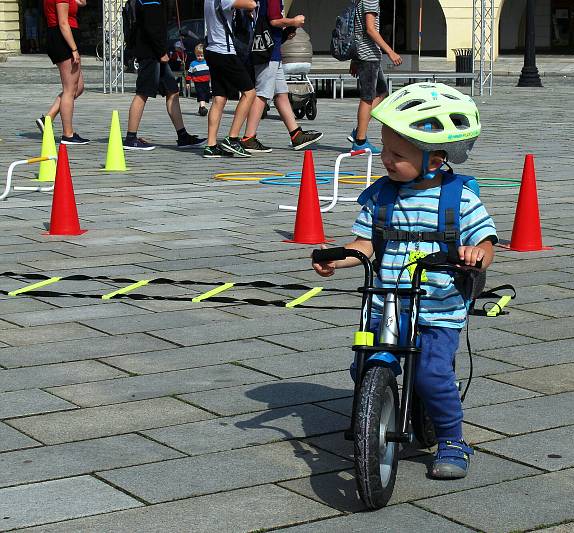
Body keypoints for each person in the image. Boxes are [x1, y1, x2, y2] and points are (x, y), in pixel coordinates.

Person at [312, 83, 496, 479]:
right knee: (364, 366)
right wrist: (337, 258)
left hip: (438, 306)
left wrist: (477, 254)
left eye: (397, 154)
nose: (386, 159)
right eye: (384, 149)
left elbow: (484, 240)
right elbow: (366, 244)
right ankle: (378, 409)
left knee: (432, 374)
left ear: (434, 161)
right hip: (388, 303)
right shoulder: (381, 197)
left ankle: (451, 439)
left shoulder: (459, 198)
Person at [240, 0, 323, 153]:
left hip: (273, 51)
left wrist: (285, 32)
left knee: (281, 94)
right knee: (263, 93)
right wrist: (294, 21)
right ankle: (248, 138)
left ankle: (296, 134)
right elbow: (274, 20)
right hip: (268, 53)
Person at [123, 0, 205, 151]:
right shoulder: (150, 0)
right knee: (143, 92)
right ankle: (130, 137)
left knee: (172, 91)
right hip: (151, 54)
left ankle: (182, 136)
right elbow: (152, 27)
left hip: (155, 53)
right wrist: (162, 52)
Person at [203, 0, 258, 158]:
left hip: (212, 50)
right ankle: (232, 138)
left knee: (219, 98)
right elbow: (252, 4)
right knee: (249, 92)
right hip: (225, 53)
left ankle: (211, 145)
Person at [347, 0, 403, 154]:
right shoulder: (370, 0)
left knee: (382, 92)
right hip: (368, 55)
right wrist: (390, 52)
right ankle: (360, 141)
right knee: (368, 97)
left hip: (363, 54)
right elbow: (370, 30)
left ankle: (359, 131)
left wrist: (354, 58)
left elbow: (357, 29)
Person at [38, 0, 88, 144]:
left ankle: (48, 118)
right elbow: (63, 23)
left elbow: (82, 3)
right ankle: (68, 134)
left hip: (63, 37)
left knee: (78, 87)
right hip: (63, 38)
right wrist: (74, 49)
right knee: (69, 89)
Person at [188, 43, 211, 116]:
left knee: (205, 94)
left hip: (206, 81)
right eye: (198, 56)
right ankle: (203, 108)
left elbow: (211, 71)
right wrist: (188, 82)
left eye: (201, 55)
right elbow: (189, 73)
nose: (200, 57)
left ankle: (200, 108)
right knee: (201, 95)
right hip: (198, 82)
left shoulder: (207, 62)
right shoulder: (193, 64)